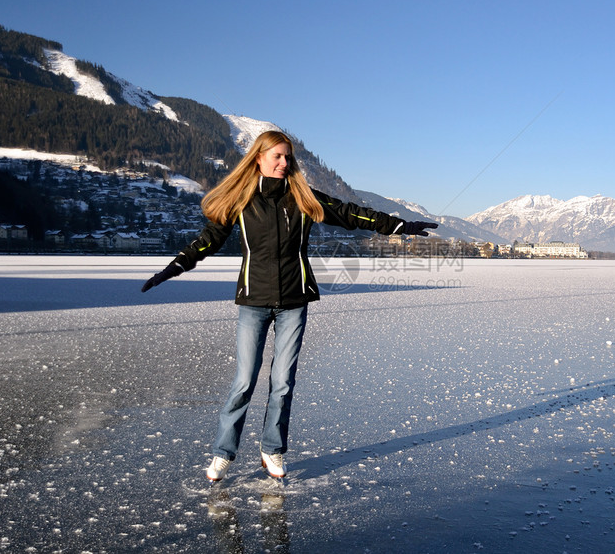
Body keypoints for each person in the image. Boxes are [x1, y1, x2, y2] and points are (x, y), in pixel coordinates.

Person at [141, 130, 437, 481]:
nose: (284, 163)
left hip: (295, 300)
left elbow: (353, 214)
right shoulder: (241, 199)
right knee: (244, 381)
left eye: (288, 158)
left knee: (283, 381)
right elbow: (208, 240)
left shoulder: (302, 197)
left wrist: (401, 225)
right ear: (259, 158)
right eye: (278, 156)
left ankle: (272, 450)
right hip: (254, 300)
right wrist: (175, 266)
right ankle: (224, 453)